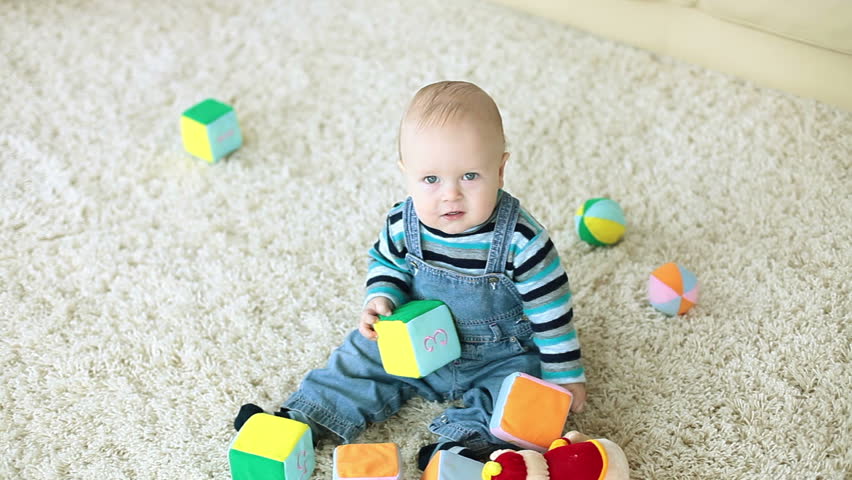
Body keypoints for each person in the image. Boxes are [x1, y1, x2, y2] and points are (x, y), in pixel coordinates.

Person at [235, 80, 586, 468]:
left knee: (520, 397)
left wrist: (564, 373)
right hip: (414, 344)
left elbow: (552, 310)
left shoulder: (522, 239)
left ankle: (462, 447)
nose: (450, 194)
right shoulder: (404, 223)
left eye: (470, 176)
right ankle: (303, 418)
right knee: (359, 356)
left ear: (500, 170)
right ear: (407, 174)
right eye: (431, 179)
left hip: (498, 353)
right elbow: (387, 264)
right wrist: (381, 299)